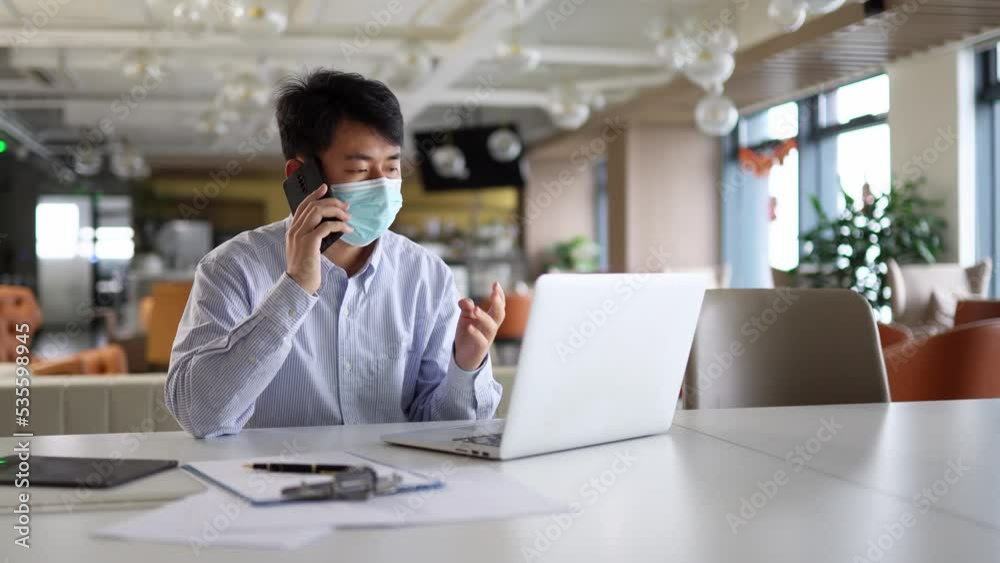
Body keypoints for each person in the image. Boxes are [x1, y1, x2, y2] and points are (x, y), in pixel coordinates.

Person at [165, 69, 505, 438]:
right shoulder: (233, 268)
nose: (383, 186)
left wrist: (466, 366)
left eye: (391, 167)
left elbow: (443, 432)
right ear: (301, 175)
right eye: (359, 170)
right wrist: (293, 290)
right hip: (270, 485)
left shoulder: (427, 275)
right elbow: (199, 416)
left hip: (394, 487)